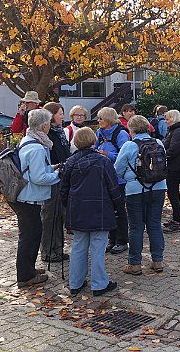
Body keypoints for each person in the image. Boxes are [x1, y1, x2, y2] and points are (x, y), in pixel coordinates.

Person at [60, 127, 120, 297]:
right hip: (100, 208)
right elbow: (113, 187)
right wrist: (117, 205)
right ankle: (99, 283)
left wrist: (68, 206)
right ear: (93, 141)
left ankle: (75, 282)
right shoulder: (103, 162)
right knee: (98, 247)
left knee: (78, 246)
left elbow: (63, 189)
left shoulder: (70, 162)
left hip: (78, 209)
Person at [11, 109, 60, 288]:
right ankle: (25, 276)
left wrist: (53, 168)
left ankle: (28, 270)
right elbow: (39, 178)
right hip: (28, 198)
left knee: (31, 234)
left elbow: (34, 170)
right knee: (29, 236)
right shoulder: (37, 148)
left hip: (24, 196)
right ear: (44, 126)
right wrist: (58, 175)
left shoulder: (28, 140)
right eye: (49, 123)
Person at [114, 116, 167, 276]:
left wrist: (131, 178)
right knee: (155, 225)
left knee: (136, 227)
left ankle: (135, 264)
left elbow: (118, 169)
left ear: (131, 130)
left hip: (135, 190)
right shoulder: (159, 143)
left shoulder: (129, 145)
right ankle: (158, 260)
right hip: (158, 188)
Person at [94, 107, 130, 255]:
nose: (98, 121)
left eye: (100, 118)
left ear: (108, 119)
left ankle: (122, 241)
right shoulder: (99, 133)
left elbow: (126, 156)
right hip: (103, 178)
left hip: (118, 179)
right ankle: (112, 239)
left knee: (119, 210)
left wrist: (107, 155)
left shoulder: (121, 134)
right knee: (108, 210)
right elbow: (94, 148)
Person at [40, 102, 71, 263]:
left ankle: (58, 249)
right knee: (50, 216)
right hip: (52, 179)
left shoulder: (60, 133)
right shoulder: (47, 136)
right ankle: (48, 251)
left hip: (61, 178)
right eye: (60, 113)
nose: (62, 116)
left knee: (59, 216)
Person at [162, 109, 180, 233]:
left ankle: (177, 221)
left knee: (173, 193)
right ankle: (176, 219)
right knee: (173, 193)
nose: (165, 121)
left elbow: (173, 150)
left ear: (173, 119)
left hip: (174, 167)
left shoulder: (178, 131)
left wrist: (162, 155)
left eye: (167, 119)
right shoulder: (178, 130)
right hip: (175, 166)